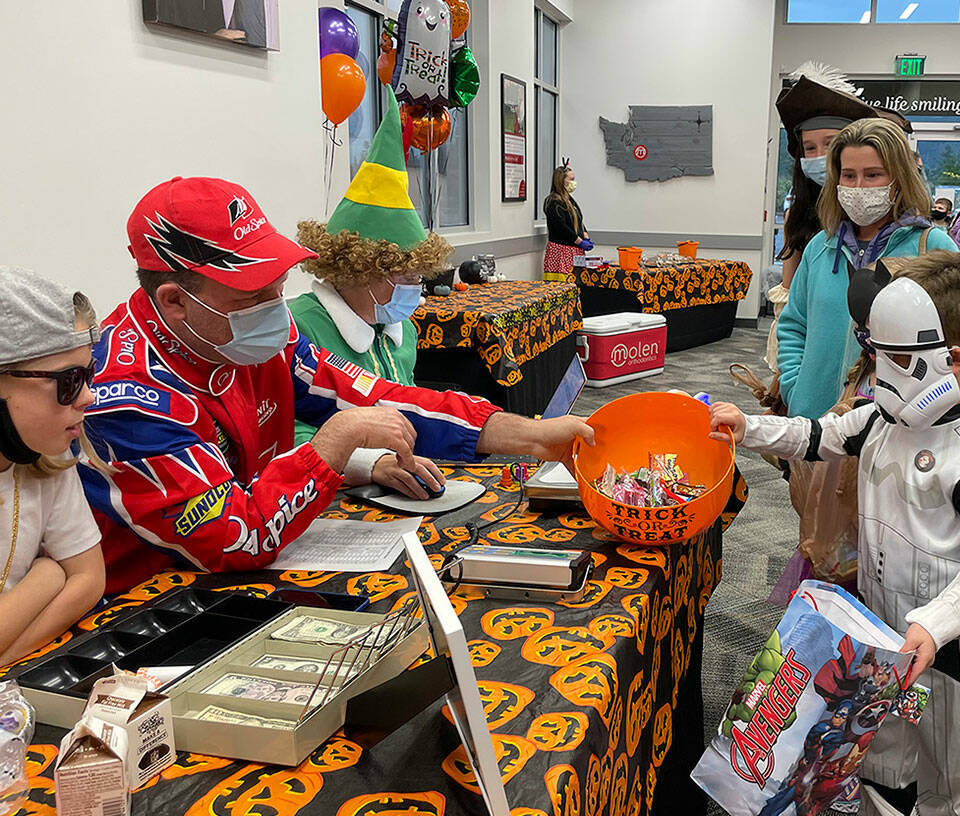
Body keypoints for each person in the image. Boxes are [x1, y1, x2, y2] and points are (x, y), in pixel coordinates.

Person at [78, 176, 593, 595]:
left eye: (280, 285)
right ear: (174, 301)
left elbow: (378, 396)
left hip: (253, 574)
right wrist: (334, 443)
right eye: (254, 294)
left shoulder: (251, 337)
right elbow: (239, 537)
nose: (276, 307)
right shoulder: (125, 392)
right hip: (151, 606)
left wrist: (533, 435)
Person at [711, 250, 960, 816]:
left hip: (952, 654)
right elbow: (817, 438)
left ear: (952, 359)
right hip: (882, 637)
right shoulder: (880, 419)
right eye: (874, 349)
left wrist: (933, 627)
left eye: (895, 357)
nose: (879, 370)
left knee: (957, 777)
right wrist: (747, 428)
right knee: (881, 761)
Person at [293, 90, 453, 498]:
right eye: (407, 276)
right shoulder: (299, 329)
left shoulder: (401, 330)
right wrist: (370, 463)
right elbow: (286, 434)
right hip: (326, 500)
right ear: (362, 270)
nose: (417, 288)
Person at [776, 117, 957, 420]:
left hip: (898, 428)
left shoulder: (934, 248)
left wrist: (930, 402)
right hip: (814, 426)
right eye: (848, 175)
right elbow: (794, 326)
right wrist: (795, 389)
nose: (858, 187)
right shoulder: (820, 247)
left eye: (873, 175)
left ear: (899, 178)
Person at [769, 64, 912, 377]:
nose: (820, 156)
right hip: (816, 389)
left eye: (872, 174)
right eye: (809, 148)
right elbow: (794, 319)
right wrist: (793, 383)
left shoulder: (920, 241)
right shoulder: (816, 238)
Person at [0, 268, 105, 666]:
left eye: (89, 375)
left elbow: (90, 580)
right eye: (68, 380)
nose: (88, 397)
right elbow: (69, 576)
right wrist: (47, 577)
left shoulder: (50, 456)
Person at [542, 160, 591, 281]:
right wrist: (579, 241)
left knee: (578, 286)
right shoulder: (553, 201)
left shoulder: (570, 200)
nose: (574, 182)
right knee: (561, 288)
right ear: (561, 181)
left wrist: (585, 236)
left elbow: (578, 220)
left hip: (575, 252)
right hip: (561, 252)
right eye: (571, 179)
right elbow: (561, 227)